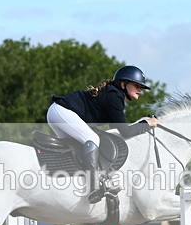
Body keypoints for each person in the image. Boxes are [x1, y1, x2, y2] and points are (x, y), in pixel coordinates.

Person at [47, 65, 159, 204]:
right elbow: (125, 131)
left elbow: (117, 129)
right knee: (92, 138)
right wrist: (146, 124)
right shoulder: (114, 96)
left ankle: (67, 184)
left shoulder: (113, 94)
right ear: (123, 84)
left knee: (78, 147)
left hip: (59, 112)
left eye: (141, 87)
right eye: (137, 85)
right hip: (62, 112)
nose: (140, 90)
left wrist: (142, 123)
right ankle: (95, 187)